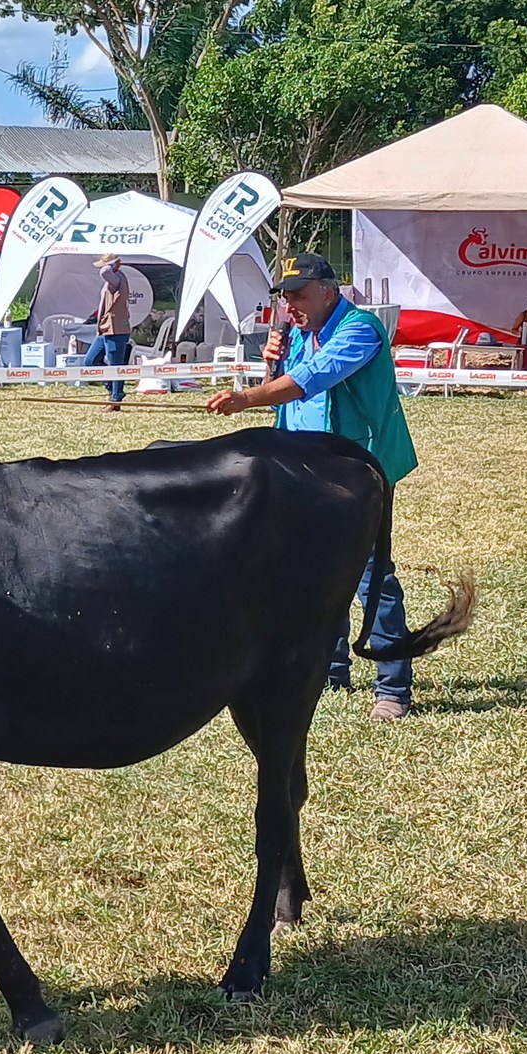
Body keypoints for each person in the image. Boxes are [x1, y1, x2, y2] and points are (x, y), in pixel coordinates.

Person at [203, 252, 421, 721]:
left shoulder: (360, 330)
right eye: (285, 298)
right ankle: (331, 670)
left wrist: (246, 396)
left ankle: (393, 686)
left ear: (328, 291)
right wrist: (269, 368)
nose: (290, 306)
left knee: (371, 576)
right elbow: (284, 400)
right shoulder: (297, 333)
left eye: (298, 295)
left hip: (356, 472)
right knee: (312, 574)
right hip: (302, 470)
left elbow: (311, 380)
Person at [88, 254, 134, 412]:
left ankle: (116, 399)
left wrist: (113, 263)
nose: (102, 267)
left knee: (116, 366)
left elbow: (104, 272)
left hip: (116, 329)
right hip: (105, 328)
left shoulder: (117, 278)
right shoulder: (113, 279)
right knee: (91, 360)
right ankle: (113, 390)